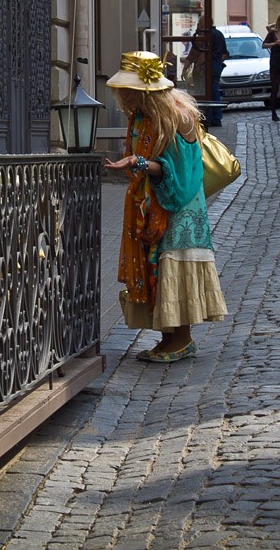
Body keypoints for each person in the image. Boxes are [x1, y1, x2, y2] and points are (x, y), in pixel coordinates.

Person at [102, 51, 226, 363]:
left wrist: (140, 162)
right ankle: (167, 337)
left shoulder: (178, 114)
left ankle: (182, 339)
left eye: (129, 91)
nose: (125, 98)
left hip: (180, 206)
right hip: (152, 202)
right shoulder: (143, 115)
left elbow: (180, 168)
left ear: (147, 91)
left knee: (173, 263)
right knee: (155, 263)